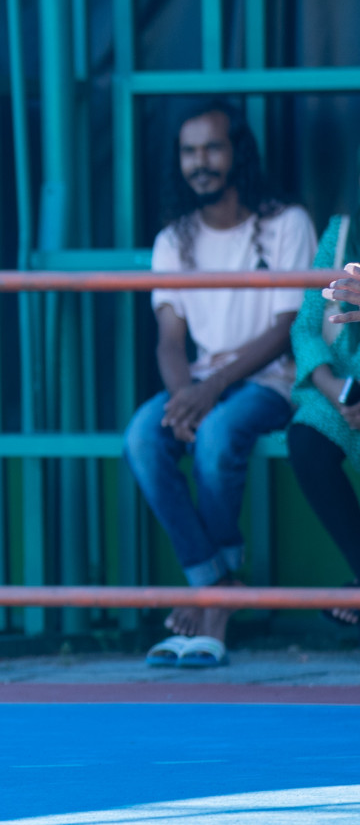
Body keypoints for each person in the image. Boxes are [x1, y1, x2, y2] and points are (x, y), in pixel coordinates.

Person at [123, 100, 316, 668]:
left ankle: (209, 605)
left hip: (272, 383)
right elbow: (168, 339)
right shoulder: (172, 240)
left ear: (237, 152)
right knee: (141, 437)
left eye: (211, 147)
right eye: (188, 151)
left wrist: (209, 394)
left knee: (217, 434)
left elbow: (287, 331)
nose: (199, 162)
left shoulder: (287, 224)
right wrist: (186, 395)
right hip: (204, 382)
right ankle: (216, 583)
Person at [283, 218, 360, 629]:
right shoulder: (342, 235)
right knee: (308, 439)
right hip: (344, 385)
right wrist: (333, 387)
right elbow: (306, 327)